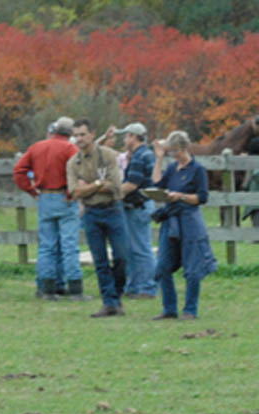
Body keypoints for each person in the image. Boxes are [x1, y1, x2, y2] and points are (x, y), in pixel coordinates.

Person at [13, 116, 85, 300]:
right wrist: (71, 193)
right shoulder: (70, 148)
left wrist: (31, 190)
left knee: (46, 246)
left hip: (44, 197)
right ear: (70, 133)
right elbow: (79, 171)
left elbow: (19, 170)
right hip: (65, 198)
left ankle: (46, 288)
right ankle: (75, 288)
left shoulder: (37, 147)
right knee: (69, 245)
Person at [151, 131, 217, 320]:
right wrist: (158, 159)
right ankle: (169, 309)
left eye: (175, 151)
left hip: (189, 220)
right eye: (170, 152)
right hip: (171, 220)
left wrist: (180, 196)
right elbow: (157, 183)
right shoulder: (172, 168)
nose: (173, 155)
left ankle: (190, 310)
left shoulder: (197, 170)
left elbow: (202, 197)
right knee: (163, 265)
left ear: (184, 148)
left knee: (192, 268)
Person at [67, 118, 130, 318]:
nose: (79, 139)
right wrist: (96, 184)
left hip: (113, 209)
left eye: (83, 134)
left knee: (122, 257)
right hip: (91, 213)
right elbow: (74, 191)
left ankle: (117, 295)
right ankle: (109, 302)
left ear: (92, 134)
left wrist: (88, 186)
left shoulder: (110, 156)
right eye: (76, 135)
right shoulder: (73, 162)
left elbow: (114, 185)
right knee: (100, 260)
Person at [115, 122, 158, 299]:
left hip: (138, 206)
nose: (124, 139)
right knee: (132, 248)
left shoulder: (140, 156)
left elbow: (132, 184)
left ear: (133, 136)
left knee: (141, 248)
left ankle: (148, 287)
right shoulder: (143, 154)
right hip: (135, 206)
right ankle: (133, 286)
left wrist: (111, 192)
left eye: (126, 136)